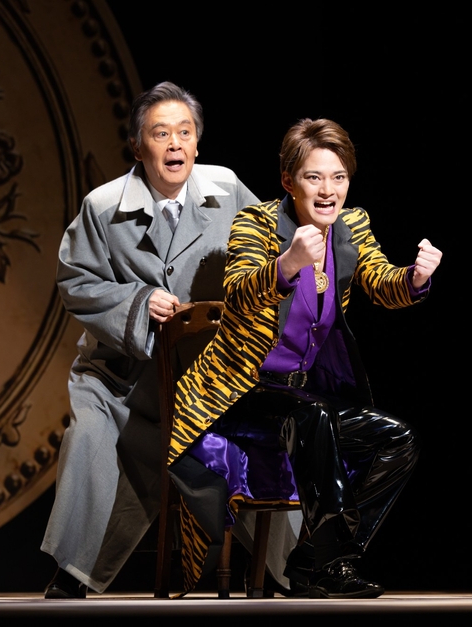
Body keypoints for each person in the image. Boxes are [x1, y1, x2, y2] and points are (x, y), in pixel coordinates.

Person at [40, 82, 301, 598]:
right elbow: (76, 280)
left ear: (197, 143)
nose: (175, 143)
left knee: (258, 440)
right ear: (138, 147)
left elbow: (271, 253)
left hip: (209, 374)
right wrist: (138, 302)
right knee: (90, 439)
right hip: (122, 380)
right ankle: (72, 573)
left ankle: (295, 571)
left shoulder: (225, 188)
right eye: (161, 134)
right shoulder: (104, 205)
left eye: (185, 132)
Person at [168, 118, 443, 598]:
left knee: (398, 440)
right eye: (314, 177)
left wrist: (416, 279)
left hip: (301, 397)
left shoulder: (351, 226)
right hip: (239, 392)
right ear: (289, 181)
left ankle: (315, 557)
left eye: (338, 177)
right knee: (312, 415)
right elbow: (239, 294)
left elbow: (382, 283)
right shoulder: (256, 223)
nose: (327, 190)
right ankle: (328, 568)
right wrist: (287, 264)